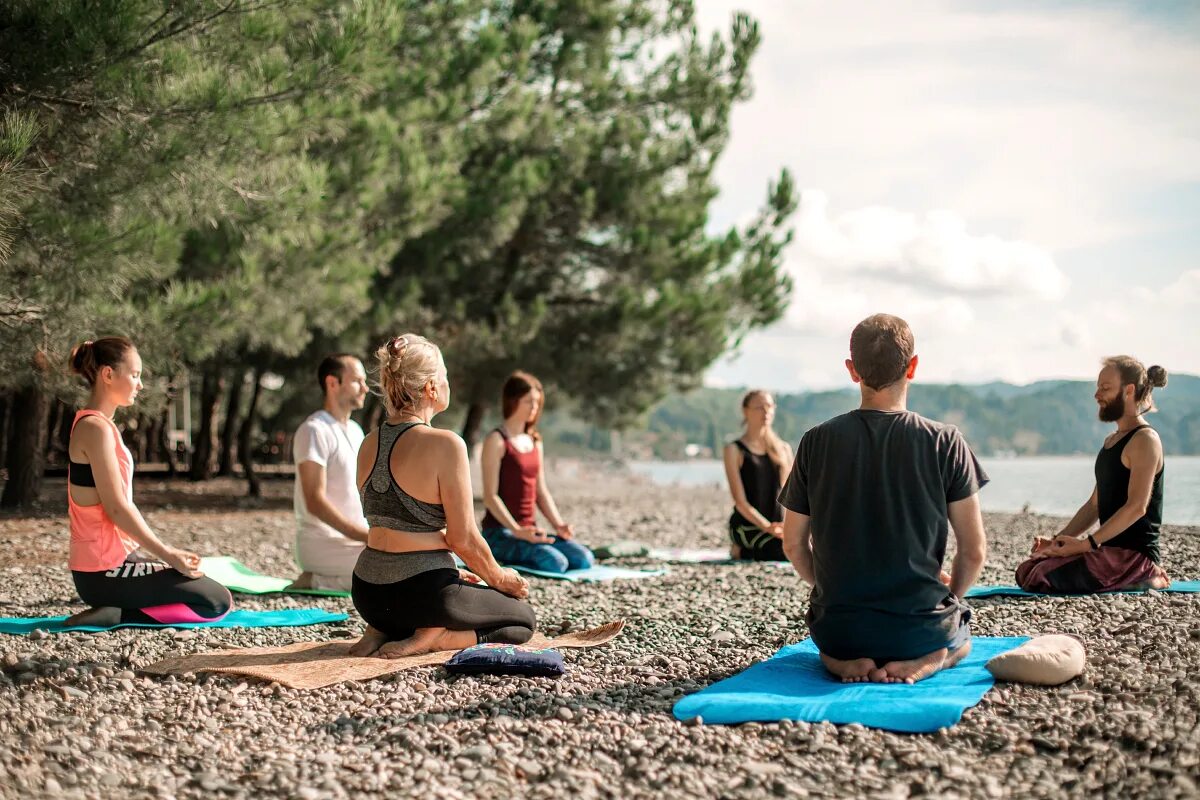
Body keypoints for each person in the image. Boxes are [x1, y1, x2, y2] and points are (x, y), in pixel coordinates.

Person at [779, 314, 988, 684]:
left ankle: (840, 663)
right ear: (913, 367)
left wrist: (829, 590)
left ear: (851, 370)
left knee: (827, 638)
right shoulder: (945, 441)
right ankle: (933, 658)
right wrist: (949, 598)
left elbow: (794, 543)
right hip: (919, 631)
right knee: (964, 639)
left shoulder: (816, 441)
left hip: (840, 631)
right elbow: (973, 552)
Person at [349, 335, 535, 658]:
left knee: (447, 592)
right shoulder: (447, 445)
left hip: (367, 594)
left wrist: (446, 565)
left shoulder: (368, 443)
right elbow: (463, 538)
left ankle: (378, 631)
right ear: (432, 388)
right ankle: (435, 638)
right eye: (445, 376)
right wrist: (502, 578)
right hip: (422, 595)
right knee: (523, 620)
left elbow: (392, 527)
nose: (449, 384)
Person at [64, 337, 232, 627]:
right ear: (107, 374)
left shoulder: (100, 426)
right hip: (103, 572)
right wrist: (168, 554)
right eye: (135, 374)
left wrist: (166, 557)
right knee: (216, 602)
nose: (140, 385)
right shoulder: (94, 429)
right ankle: (117, 613)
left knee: (213, 590)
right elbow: (116, 508)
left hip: (115, 563)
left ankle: (115, 609)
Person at [1016, 357, 1170, 593]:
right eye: (1098, 387)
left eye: (1105, 388)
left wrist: (1085, 545)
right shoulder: (1111, 441)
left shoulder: (1145, 440)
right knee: (1030, 568)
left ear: (1129, 391)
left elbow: (1136, 507)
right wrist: (1057, 541)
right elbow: (1094, 505)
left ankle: (1147, 575)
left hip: (1133, 556)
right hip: (1106, 551)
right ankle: (1132, 578)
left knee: (1040, 575)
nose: (1097, 395)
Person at [479, 371, 595, 574]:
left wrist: (559, 525)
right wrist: (517, 530)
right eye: (528, 401)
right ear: (513, 401)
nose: (534, 407)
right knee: (556, 564)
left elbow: (541, 492)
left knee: (584, 558)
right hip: (500, 532)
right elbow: (490, 497)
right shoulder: (496, 441)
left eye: (537, 402)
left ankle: (532, 548)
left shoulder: (534, 441)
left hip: (531, 531)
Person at [289, 354, 370, 592]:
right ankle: (315, 580)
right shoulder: (314, 430)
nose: (365, 388)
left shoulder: (356, 431)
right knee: (391, 570)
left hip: (356, 542)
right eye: (357, 381)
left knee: (408, 561)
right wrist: (367, 537)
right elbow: (314, 501)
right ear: (332, 383)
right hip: (322, 543)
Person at [723, 390, 792, 560]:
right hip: (748, 525)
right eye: (760, 407)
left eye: (769, 406)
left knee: (813, 547)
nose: (766, 411)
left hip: (777, 525)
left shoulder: (783, 449)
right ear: (746, 411)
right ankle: (739, 550)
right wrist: (767, 527)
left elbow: (791, 495)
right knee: (782, 551)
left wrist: (789, 527)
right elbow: (740, 502)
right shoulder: (734, 450)